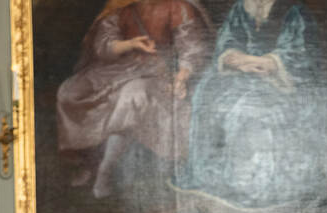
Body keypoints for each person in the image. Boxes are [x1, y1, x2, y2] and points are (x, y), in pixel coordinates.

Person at [177, 0, 327, 213]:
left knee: (246, 110)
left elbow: (300, 55)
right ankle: (211, 176)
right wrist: (235, 58)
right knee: (206, 95)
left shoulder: (294, 10)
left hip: (284, 84)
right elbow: (227, 40)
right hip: (242, 74)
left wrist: (270, 62)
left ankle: (250, 186)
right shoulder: (241, 8)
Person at [56, 0, 211, 199]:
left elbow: (192, 49)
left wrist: (181, 78)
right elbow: (103, 46)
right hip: (119, 69)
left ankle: (106, 170)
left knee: (133, 96)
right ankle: (82, 162)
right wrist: (130, 44)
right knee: (69, 92)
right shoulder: (121, 6)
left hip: (158, 71)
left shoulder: (178, 7)